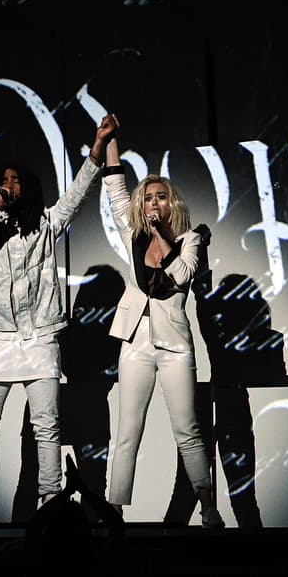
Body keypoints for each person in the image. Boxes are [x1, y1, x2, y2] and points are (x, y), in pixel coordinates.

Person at [0, 113, 120, 523]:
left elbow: (79, 193)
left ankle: (51, 513)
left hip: (41, 340)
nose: (8, 185)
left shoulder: (47, 225)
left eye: (15, 181)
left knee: (46, 431)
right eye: (4, 179)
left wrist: (98, 149)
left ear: (27, 188)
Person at [102, 135, 224, 528]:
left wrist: (161, 236)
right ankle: (114, 510)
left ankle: (207, 506)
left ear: (172, 203)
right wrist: (108, 141)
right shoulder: (132, 235)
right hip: (135, 343)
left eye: (161, 196)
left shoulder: (191, 240)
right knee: (127, 431)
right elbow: (114, 187)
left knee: (187, 429)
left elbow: (182, 274)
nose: (154, 202)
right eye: (148, 197)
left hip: (174, 347)